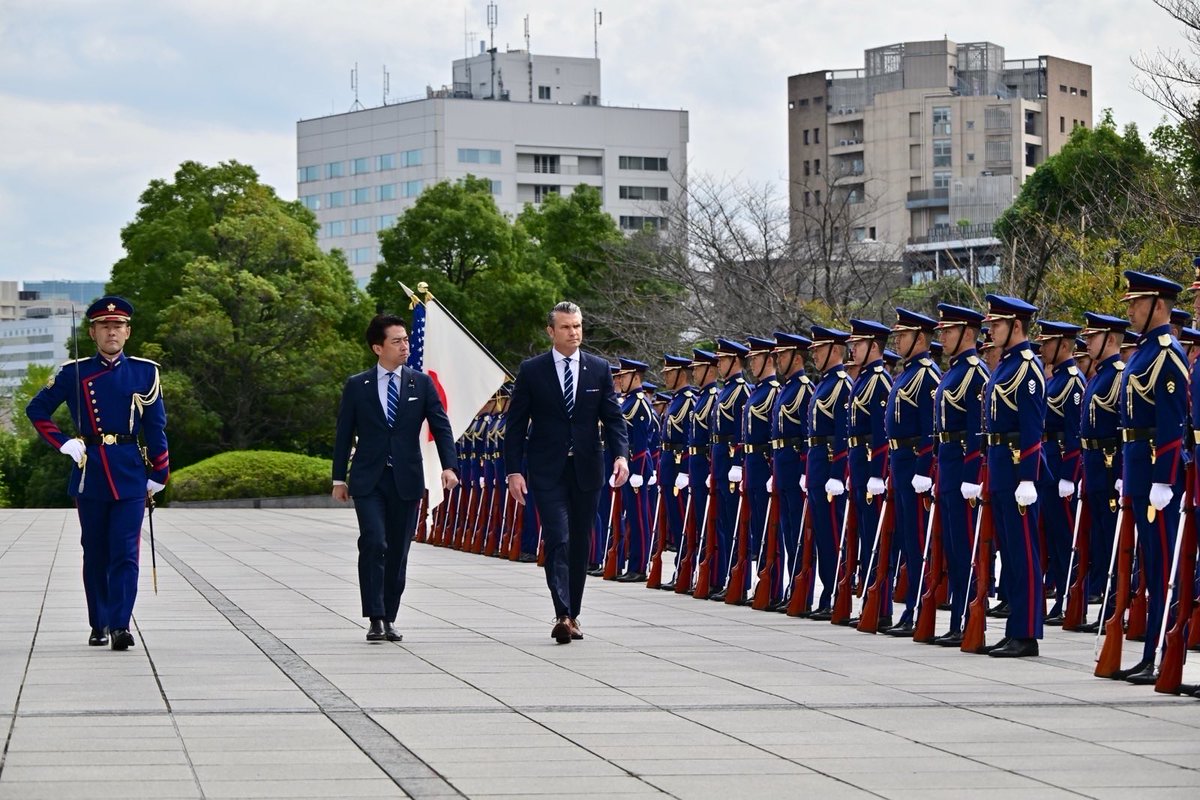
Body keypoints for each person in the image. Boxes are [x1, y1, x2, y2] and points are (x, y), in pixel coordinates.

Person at [27, 296, 169, 651]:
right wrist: (62, 442)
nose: (111, 332)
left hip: (129, 472)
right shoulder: (73, 372)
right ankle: (99, 622)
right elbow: (37, 409)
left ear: (128, 332)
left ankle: (120, 625)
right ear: (92, 333)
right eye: (104, 326)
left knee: (126, 551)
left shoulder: (145, 372)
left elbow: (156, 426)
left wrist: (160, 472)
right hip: (90, 472)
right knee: (94, 552)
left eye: (118, 326)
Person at [505, 302, 629, 644]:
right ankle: (561, 612)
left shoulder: (598, 369)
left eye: (577, 326)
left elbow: (613, 419)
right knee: (557, 537)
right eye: (566, 327)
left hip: (587, 468)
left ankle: (573, 614)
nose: (573, 332)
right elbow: (515, 425)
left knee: (579, 542)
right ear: (551, 331)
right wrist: (514, 470)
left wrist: (621, 456)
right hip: (547, 470)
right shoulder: (532, 370)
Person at [332, 314, 459, 642]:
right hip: (369, 479)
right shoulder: (357, 385)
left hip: (406, 478)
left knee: (398, 551)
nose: (405, 346)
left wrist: (449, 466)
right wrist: (338, 479)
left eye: (406, 339)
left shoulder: (421, 384)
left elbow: (441, 426)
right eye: (397, 341)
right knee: (374, 542)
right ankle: (374, 617)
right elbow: (344, 433)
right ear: (378, 348)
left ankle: (389, 616)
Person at [1113, 271, 1188, 683]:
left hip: (1158, 476)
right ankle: (1150, 653)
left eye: (1136, 303)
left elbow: (1171, 424)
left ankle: (1163, 652)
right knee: (1149, 565)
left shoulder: (1166, 354)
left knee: (1162, 568)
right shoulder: (1144, 353)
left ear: (1158, 305)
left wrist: (1164, 479)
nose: (1130, 310)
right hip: (1138, 468)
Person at [981, 294, 1046, 658]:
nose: (991, 330)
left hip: (1018, 468)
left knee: (1024, 555)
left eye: (997, 324)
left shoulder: (1027, 367)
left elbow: (1032, 426)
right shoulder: (1006, 365)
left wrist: (1028, 477)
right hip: (1001, 467)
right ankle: (1014, 629)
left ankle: (1027, 632)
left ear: (1016, 326)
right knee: (1010, 554)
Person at [932, 303, 989, 646]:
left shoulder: (975, 373)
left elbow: (975, 430)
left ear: (967, 333)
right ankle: (957, 619)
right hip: (947, 465)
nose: (943, 337)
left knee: (967, 549)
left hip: (963, 470)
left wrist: (970, 475)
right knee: (953, 549)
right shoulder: (954, 371)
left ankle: (970, 619)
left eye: (949, 331)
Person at [1035, 320, 1085, 625]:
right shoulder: (1054, 380)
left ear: (1064, 345)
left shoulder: (1073, 382)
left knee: (1066, 538)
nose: (1042, 348)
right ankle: (1061, 598)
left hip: (1061, 466)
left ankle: (1071, 599)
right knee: (1052, 537)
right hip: (1048, 463)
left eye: (1048, 343)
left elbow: (1075, 432)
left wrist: (1069, 474)